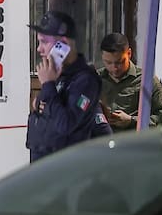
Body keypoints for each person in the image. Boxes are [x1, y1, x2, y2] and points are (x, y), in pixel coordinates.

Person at [25, 10, 111, 163]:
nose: (39, 49)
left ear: (63, 44)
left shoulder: (85, 80)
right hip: (43, 166)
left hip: (64, 169)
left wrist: (48, 85)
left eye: (44, 42)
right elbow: (42, 110)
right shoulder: (57, 76)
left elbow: (65, 124)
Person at [98, 32, 162, 130]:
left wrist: (132, 120)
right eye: (108, 62)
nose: (114, 68)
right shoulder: (95, 80)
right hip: (101, 142)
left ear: (129, 53)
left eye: (120, 62)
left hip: (134, 142)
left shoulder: (147, 80)